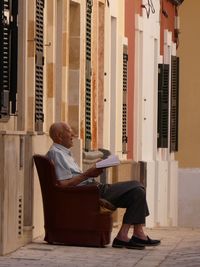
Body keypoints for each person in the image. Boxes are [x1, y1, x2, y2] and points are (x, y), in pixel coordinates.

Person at [46, 122, 161, 249]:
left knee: (137, 192)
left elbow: (72, 178)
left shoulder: (63, 153)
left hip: (90, 189)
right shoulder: (56, 153)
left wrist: (93, 169)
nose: (73, 134)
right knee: (136, 185)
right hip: (89, 193)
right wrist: (89, 173)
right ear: (59, 136)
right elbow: (64, 185)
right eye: (69, 131)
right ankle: (134, 235)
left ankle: (127, 235)